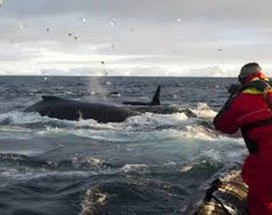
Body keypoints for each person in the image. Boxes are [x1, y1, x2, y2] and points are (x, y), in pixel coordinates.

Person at [213, 62, 272, 215]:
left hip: (267, 159)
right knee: (249, 169)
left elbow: (222, 125)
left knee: (261, 200)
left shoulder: (242, 98)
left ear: (242, 79)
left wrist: (233, 97)